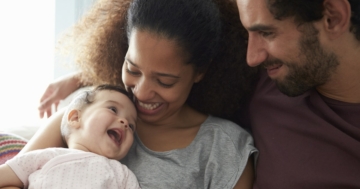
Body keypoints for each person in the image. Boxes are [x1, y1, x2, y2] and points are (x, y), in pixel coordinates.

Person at [19, 0, 259, 188]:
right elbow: (11, 177)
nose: (141, 93)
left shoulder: (223, 149)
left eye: (164, 81)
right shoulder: (90, 110)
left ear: (199, 72)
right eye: (132, 69)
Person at [235, 0, 360, 188]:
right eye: (248, 35)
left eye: (266, 33)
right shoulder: (261, 84)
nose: (252, 58)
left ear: (333, 18)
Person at [0, 85, 140, 189]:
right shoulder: (46, 156)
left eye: (132, 126)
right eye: (113, 109)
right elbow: (5, 175)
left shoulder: (123, 175)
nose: (125, 122)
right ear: (75, 117)